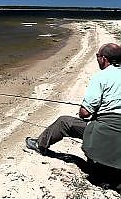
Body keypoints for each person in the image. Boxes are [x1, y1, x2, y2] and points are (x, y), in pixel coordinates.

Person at [26, 42, 121, 191]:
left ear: (104, 59)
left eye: (97, 56)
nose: (97, 59)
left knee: (64, 122)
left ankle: (40, 145)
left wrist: (85, 110)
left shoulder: (102, 77)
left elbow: (84, 113)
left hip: (106, 131)